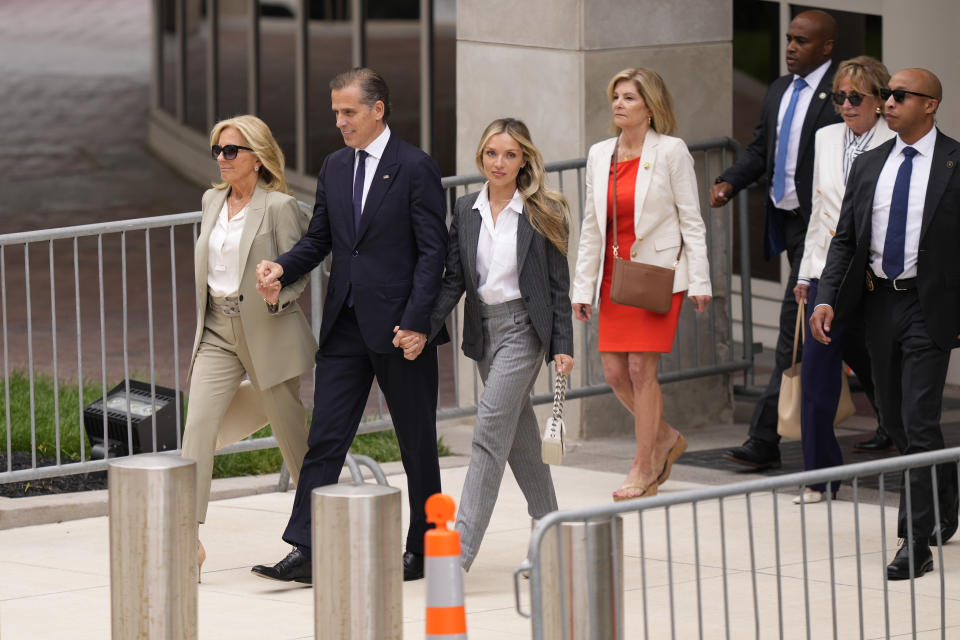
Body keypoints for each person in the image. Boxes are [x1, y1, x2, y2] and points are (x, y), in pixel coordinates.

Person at [251, 67, 448, 583]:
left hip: (401, 330)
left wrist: (417, 322)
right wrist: (282, 267)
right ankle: (308, 548)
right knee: (326, 437)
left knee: (416, 442)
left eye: (348, 112)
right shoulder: (335, 167)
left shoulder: (414, 167)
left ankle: (424, 547)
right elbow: (321, 239)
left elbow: (434, 253)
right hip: (344, 326)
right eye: (336, 112)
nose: (339, 121)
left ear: (377, 109)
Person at [810, 68, 960, 580]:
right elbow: (846, 240)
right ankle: (946, 484)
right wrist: (826, 297)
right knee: (896, 422)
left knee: (918, 422)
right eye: (888, 94)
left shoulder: (955, 162)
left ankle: (913, 544)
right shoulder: (871, 163)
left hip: (927, 307)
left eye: (900, 96)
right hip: (877, 305)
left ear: (930, 105)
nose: (888, 103)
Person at [413, 118, 574, 570]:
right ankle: (551, 531)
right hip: (485, 331)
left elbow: (558, 287)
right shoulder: (466, 209)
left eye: (509, 154)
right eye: (491, 154)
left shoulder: (545, 211)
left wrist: (563, 344)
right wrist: (422, 325)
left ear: (524, 159)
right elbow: (455, 280)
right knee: (521, 440)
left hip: (525, 331)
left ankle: (457, 554)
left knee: (487, 435)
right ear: (480, 156)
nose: (499, 163)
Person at [180, 115, 316, 582]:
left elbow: (298, 268)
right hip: (218, 329)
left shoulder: (279, 207)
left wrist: (281, 290)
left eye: (231, 151)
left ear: (256, 157)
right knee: (197, 426)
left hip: (267, 330)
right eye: (217, 150)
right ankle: (186, 542)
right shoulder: (210, 201)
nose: (221, 158)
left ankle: (320, 535)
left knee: (292, 437)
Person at [571, 68, 712, 501]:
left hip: (656, 278)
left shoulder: (671, 151)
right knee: (614, 373)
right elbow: (593, 227)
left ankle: (643, 466)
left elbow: (692, 218)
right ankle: (665, 437)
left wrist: (700, 280)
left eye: (629, 98)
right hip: (614, 277)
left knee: (640, 370)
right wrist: (582, 288)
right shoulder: (600, 155)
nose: (618, 104)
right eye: (616, 96)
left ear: (650, 107)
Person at [710, 10, 841, 470]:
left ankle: (764, 437)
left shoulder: (838, 94)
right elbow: (762, 147)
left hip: (821, 226)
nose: (790, 47)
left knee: (793, 325)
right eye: (788, 38)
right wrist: (730, 182)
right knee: (848, 332)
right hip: (786, 221)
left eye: (802, 41)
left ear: (826, 47)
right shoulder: (780, 90)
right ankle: (887, 416)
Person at [791, 56, 895, 504]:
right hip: (826, 275)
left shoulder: (898, 140)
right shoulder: (826, 137)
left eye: (856, 97)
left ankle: (906, 451)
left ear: (879, 100)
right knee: (816, 375)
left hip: (877, 277)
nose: (847, 105)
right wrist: (804, 273)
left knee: (885, 372)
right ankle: (819, 477)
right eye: (840, 97)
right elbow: (819, 209)